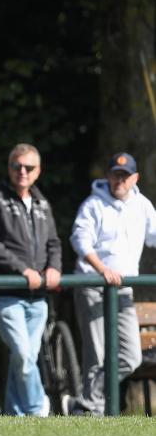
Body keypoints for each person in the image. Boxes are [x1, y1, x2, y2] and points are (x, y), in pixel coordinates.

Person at [64, 152, 153, 416]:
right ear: (108, 175)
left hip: (122, 288)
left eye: (125, 176)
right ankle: (93, 412)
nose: (119, 181)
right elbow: (80, 241)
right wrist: (103, 269)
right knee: (96, 355)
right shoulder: (93, 205)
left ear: (135, 178)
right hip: (93, 284)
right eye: (115, 174)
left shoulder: (142, 206)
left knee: (131, 357)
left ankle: (84, 404)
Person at [0, 143, 62, 416]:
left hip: (38, 297)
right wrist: (22, 270)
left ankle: (15, 416)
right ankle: (39, 409)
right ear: (9, 168)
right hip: (6, 294)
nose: (22, 172)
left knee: (23, 359)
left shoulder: (42, 202)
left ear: (38, 171)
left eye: (28, 167)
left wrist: (54, 269)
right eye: (17, 166)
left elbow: (53, 243)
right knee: (25, 356)